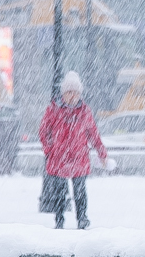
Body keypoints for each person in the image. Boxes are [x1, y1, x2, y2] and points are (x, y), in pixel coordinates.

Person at [39, 71, 108, 230]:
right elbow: (44, 131)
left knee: (80, 191)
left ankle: (82, 218)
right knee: (59, 192)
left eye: (76, 92)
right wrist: (50, 149)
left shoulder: (85, 111)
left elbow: (93, 134)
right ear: (63, 93)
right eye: (69, 92)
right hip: (59, 158)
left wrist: (101, 153)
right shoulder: (53, 109)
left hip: (79, 157)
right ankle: (59, 218)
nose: (72, 96)